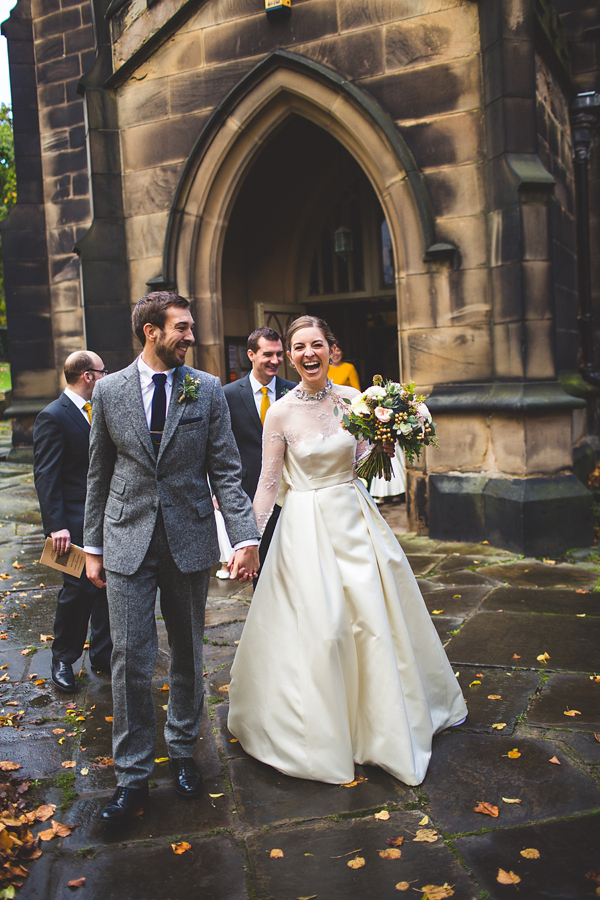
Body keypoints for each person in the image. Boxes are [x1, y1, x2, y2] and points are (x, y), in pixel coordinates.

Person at [228, 315, 467, 786]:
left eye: (316, 344)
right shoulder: (279, 413)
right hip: (304, 528)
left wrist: (387, 438)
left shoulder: (356, 401)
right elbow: (268, 484)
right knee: (326, 626)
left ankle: (382, 726)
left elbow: (363, 466)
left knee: (373, 621)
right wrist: (248, 540)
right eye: (298, 347)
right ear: (290, 356)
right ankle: (319, 728)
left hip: (355, 519)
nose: (307, 353)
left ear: (331, 350)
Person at [83, 291, 260, 825]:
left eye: (190, 327)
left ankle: (183, 751)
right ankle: (132, 775)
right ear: (151, 332)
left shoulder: (204, 389)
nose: (191, 335)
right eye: (181, 327)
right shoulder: (110, 391)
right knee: (129, 660)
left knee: (187, 654)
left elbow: (226, 470)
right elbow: (99, 472)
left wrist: (245, 536)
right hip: (125, 541)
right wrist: (92, 547)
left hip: (189, 541)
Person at [33, 351, 112, 693]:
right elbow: (46, 475)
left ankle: (103, 655)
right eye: (102, 371)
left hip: (108, 517)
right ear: (88, 376)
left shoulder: (101, 412)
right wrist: (56, 526)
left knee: (107, 587)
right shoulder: (53, 416)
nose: (105, 376)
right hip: (71, 525)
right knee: (76, 591)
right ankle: (63, 659)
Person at [223, 327, 295, 573]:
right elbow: (220, 448)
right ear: (251, 355)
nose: (275, 361)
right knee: (259, 564)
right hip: (249, 492)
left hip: (290, 492)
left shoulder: (294, 391)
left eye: (278, 354)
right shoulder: (228, 395)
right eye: (268, 354)